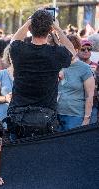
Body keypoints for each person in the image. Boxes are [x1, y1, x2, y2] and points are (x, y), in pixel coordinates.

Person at [7, 10, 76, 139]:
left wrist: (28, 22)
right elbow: (72, 50)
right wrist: (57, 28)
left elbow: (13, 41)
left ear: (30, 28)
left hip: (18, 115)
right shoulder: (57, 53)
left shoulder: (19, 50)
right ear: (50, 29)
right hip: (46, 116)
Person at [57, 34, 95, 131]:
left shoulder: (84, 68)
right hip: (56, 116)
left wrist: (86, 120)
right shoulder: (57, 65)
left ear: (76, 50)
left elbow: (89, 96)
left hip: (75, 117)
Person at [77, 39, 98, 124]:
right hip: (77, 104)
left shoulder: (96, 66)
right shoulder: (74, 66)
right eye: (83, 49)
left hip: (93, 104)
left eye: (89, 49)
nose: (86, 51)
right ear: (77, 51)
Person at [0, 45, 13, 128]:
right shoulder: (0, 74)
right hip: (2, 119)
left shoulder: (26, 74)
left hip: (21, 120)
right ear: (8, 56)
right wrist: (6, 98)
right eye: (12, 55)